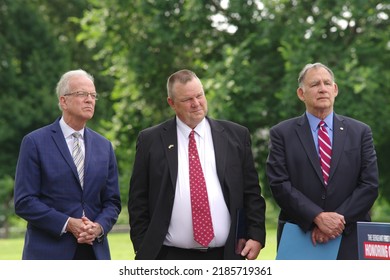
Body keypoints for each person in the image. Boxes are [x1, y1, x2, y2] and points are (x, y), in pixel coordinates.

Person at [128, 69, 266, 260]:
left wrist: (256, 235)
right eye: (187, 100)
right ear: (172, 103)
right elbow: (138, 200)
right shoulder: (150, 140)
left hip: (226, 255)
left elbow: (251, 192)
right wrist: (144, 247)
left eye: (199, 95)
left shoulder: (236, 136)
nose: (196, 104)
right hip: (168, 257)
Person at [266, 62, 379, 259]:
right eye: (315, 84)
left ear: (335, 90)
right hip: (301, 236)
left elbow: (369, 185)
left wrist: (335, 222)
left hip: (350, 238)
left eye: (327, 83)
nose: (322, 89)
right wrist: (316, 217)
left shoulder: (360, 132)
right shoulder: (281, 134)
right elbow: (279, 184)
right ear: (301, 93)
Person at [14, 69, 121, 260]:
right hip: (48, 254)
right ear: (63, 101)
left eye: (93, 95)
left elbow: (112, 202)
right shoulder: (35, 142)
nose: (90, 100)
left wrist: (98, 227)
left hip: (94, 253)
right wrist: (68, 223)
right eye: (82, 94)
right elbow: (24, 202)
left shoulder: (104, 146)